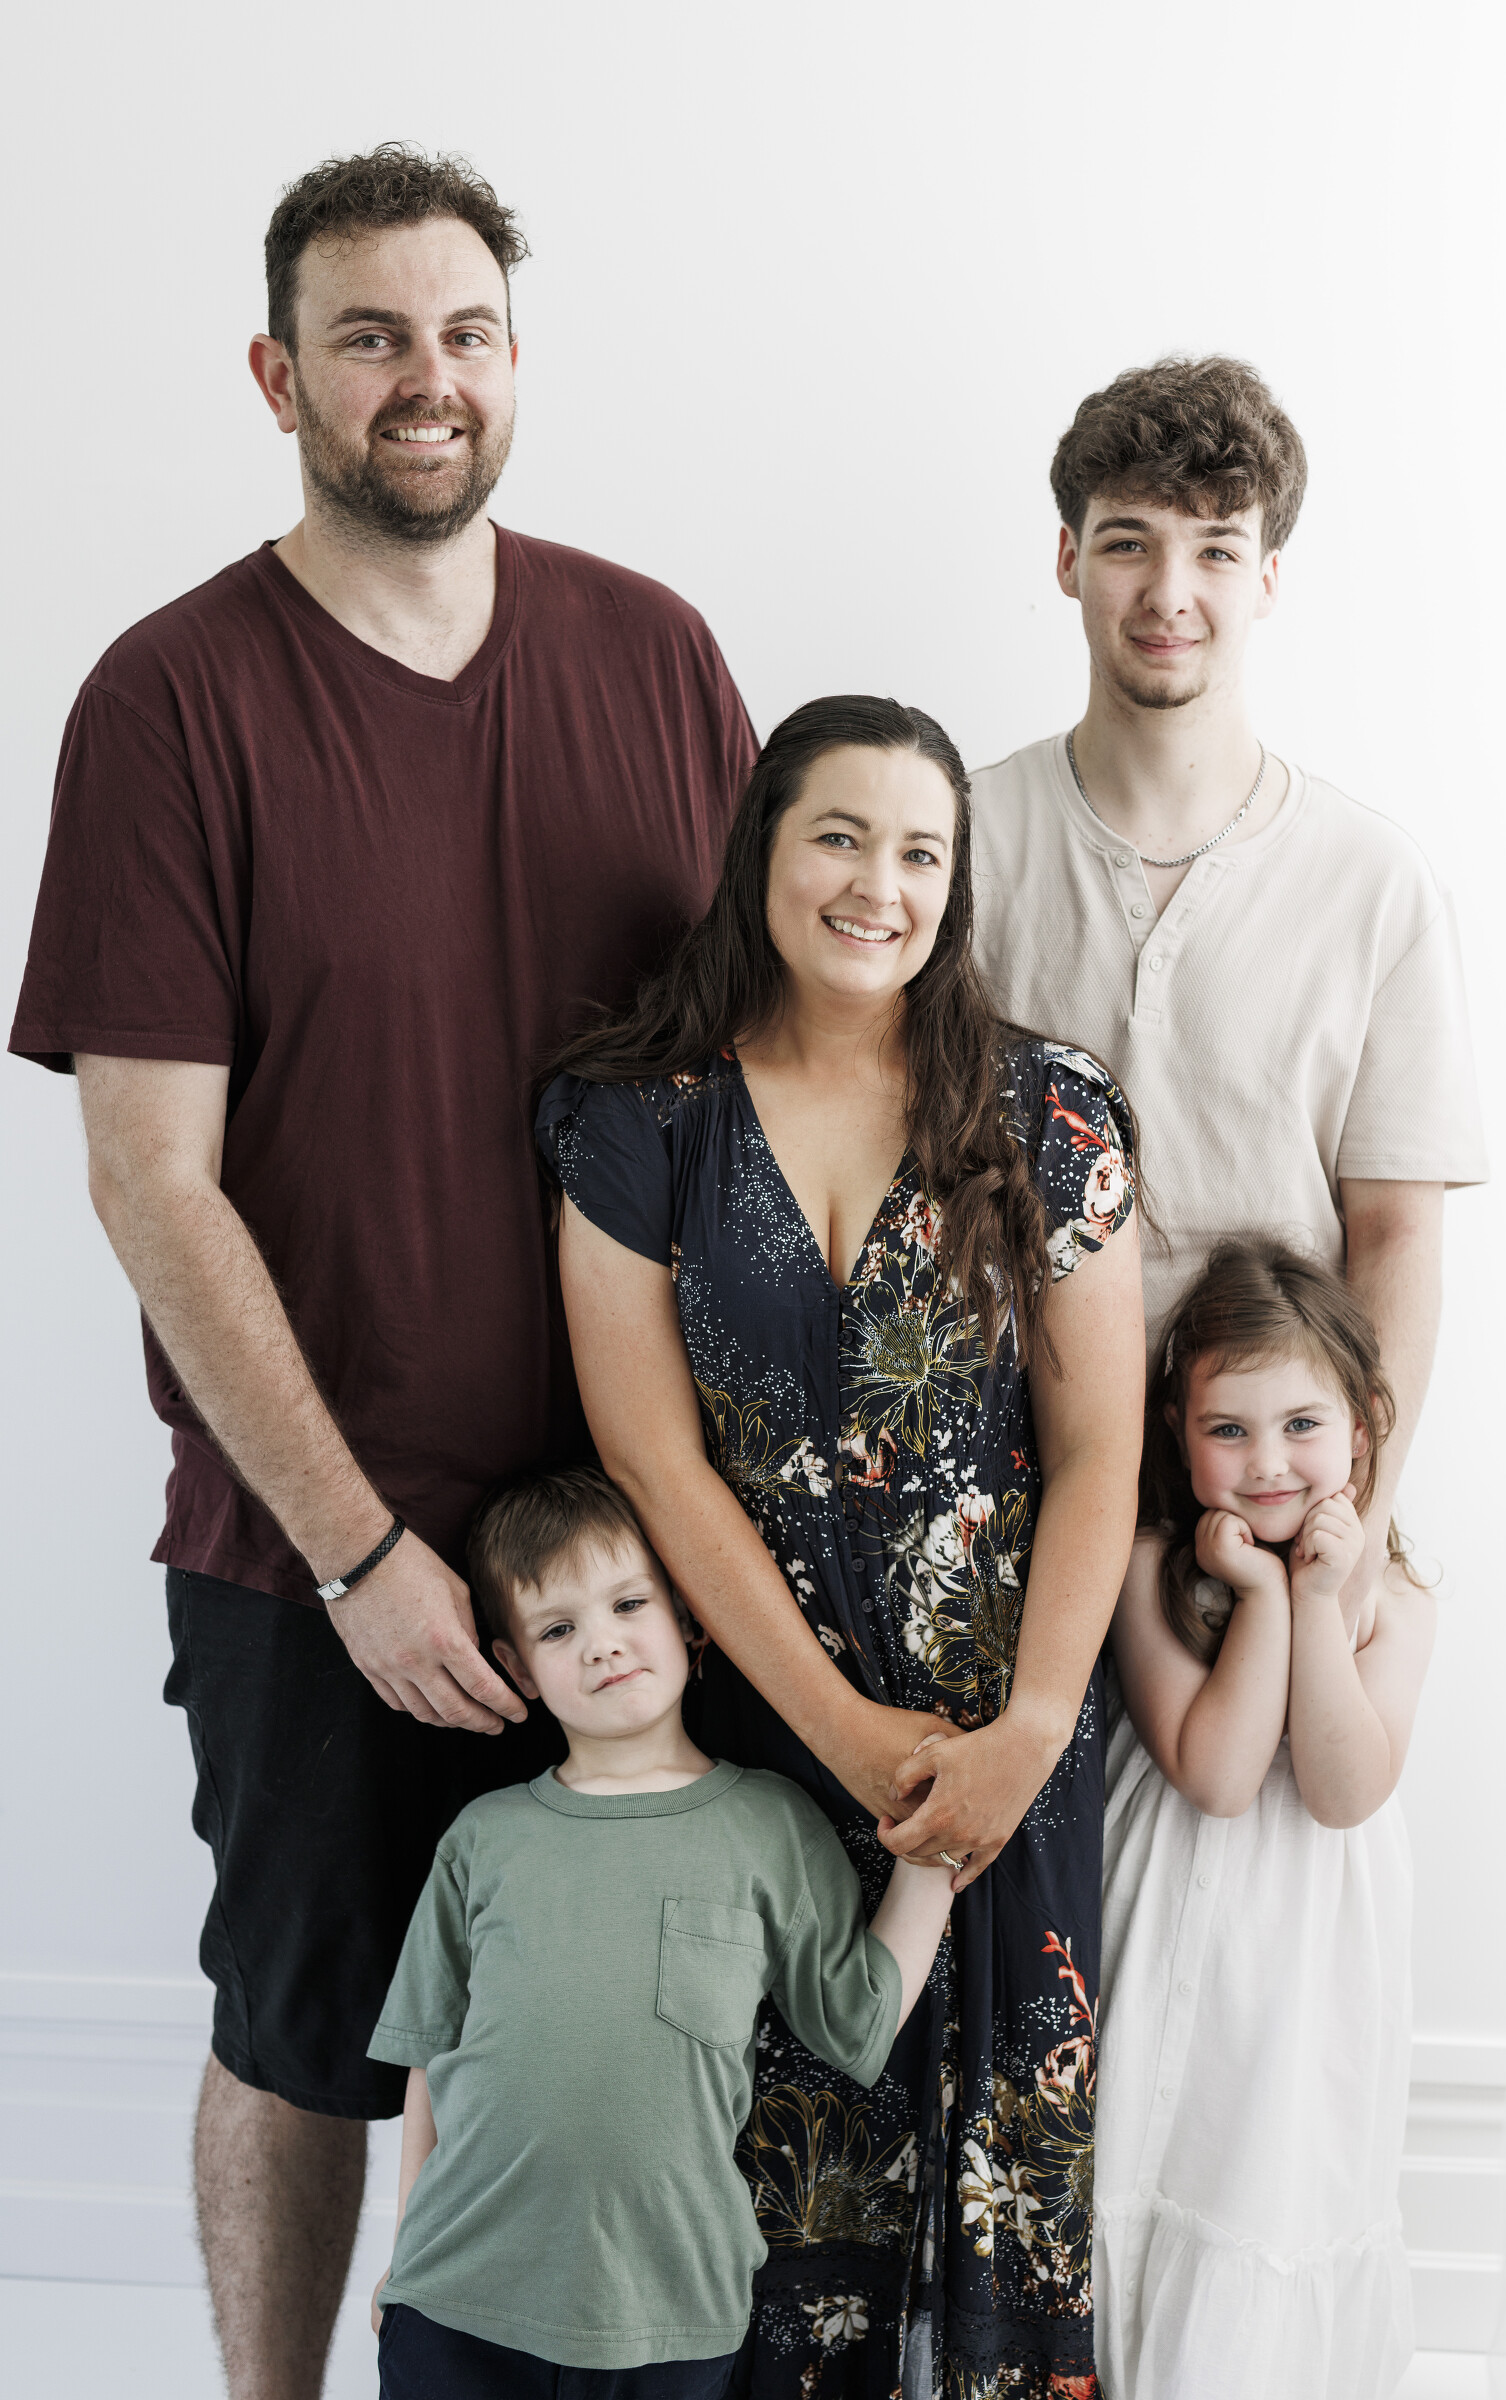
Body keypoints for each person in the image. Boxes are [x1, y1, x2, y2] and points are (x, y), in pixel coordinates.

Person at [7, 145, 755, 2398]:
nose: (425, 381)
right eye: (367, 338)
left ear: (515, 361)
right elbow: (151, 1182)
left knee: (603, 2036)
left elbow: (772, 1067)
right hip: (318, 1550)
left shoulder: (654, 655)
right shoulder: (170, 702)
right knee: (306, 2036)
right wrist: (355, 1553)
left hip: (635, 1536)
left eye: (464, 334)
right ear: (277, 376)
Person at [535, 695, 1147, 2399]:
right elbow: (652, 1460)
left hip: (1005, 1751)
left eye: (922, 853)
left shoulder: (1050, 1110)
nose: (882, 885)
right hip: (753, 1744)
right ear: (763, 853)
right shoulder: (635, 1118)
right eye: (841, 837)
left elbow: (1101, 1450)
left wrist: (1028, 1731)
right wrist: (844, 1733)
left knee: (1006, 2190)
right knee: (771, 2211)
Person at [969, 355, 1486, 1616]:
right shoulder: (954, 847)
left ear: (1265, 578)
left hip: (1272, 1521)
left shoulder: (1374, 883)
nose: (1168, 593)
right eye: (1127, 543)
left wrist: (1351, 1537)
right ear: (1066, 560)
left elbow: (1395, 1233)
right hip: (1005, 1505)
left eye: (1214, 549)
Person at [367, 1464, 956, 2398]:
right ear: (517, 1668)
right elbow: (429, 2057)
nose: (602, 1644)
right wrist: (404, 2254)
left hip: (673, 2317)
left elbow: (860, 2016)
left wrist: (940, 1848)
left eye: (628, 1604)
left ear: (687, 1615)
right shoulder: (484, 1838)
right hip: (456, 2307)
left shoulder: (768, 1824)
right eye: (558, 1629)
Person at [1094, 1237, 1436, 2396]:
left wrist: (1318, 1594)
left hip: (1309, 1938)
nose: (1268, 1462)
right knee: (1160, 2135)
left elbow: (1339, 1791)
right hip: (1175, 1903)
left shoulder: (1393, 1602)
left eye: (1300, 1424)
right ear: (1175, 1432)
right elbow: (1219, 1774)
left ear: (1361, 1427)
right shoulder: (1147, 1564)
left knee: (1273, 2164)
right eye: (1226, 1430)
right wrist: (1254, 1595)